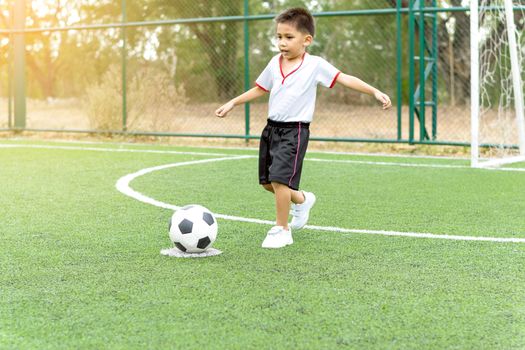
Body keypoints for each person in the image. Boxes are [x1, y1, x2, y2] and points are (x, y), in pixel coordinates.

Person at [215, 7, 391, 249]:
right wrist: (233, 102)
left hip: (295, 131)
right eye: (279, 37)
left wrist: (374, 91)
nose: (282, 43)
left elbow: (344, 78)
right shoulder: (274, 63)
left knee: (279, 180)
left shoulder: (315, 65)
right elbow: (260, 88)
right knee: (268, 183)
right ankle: (303, 200)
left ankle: (281, 229)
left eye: (289, 37)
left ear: (306, 40)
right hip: (271, 129)